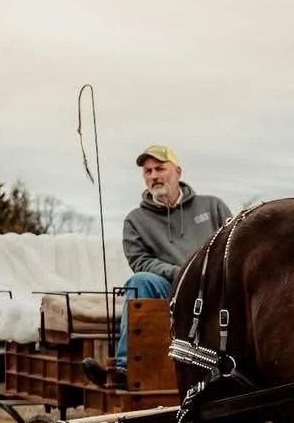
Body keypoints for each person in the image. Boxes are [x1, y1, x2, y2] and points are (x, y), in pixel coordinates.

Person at [82, 145, 231, 388]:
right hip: (170, 287)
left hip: (213, 285)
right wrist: (178, 272)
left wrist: (205, 272)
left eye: (160, 168)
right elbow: (139, 260)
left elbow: (231, 244)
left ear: (178, 172)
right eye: (147, 171)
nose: (153, 176)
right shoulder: (135, 220)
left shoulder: (213, 206)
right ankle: (123, 370)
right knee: (139, 282)